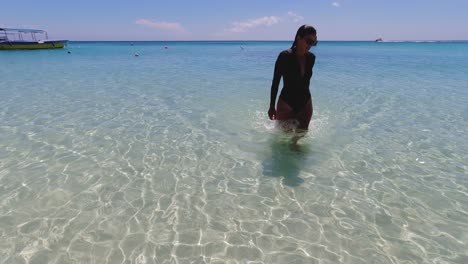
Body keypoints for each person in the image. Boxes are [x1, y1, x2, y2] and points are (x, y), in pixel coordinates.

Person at [268, 25, 317, 143]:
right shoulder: (285, 56)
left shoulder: (311, 58)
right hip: (287, 103)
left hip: (305, 103)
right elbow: (276, 81)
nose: (310, 45)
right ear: (299, 38)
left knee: (298, 139)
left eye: (314, 42)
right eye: (308, 41)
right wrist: (271, 106)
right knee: (283, 140)